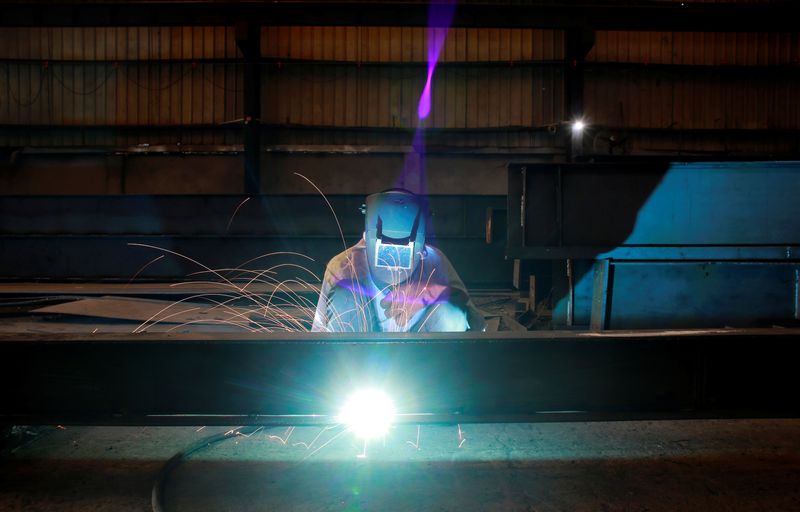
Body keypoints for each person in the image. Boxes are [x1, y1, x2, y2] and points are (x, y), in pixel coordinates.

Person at [312, 189, 484, 333]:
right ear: (368, 240)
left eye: (403, 252)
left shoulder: (434, 262)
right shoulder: (344, 266)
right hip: (360, 358)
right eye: (386, 252)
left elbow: (477, 325)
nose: (393, 263)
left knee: (449, 311)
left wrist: (432, 293)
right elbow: (319, 336)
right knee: (345, 297)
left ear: (420, 247)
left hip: (425, 360)